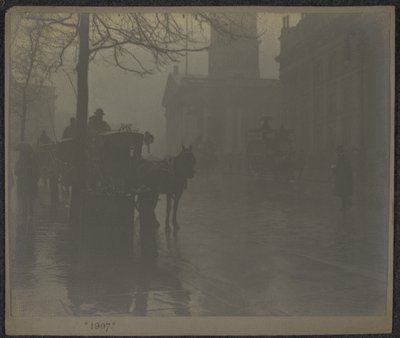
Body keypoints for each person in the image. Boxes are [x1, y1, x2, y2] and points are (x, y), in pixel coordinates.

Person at [14, 143, 40, 228]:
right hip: (29, 183)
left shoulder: (21, 162)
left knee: (26, 199)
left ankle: (26, 215)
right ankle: (29, 215)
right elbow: (37, 173)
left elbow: (16, 172)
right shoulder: (33, 162)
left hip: (25, 183)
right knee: (29, 199)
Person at [332, 145, 353, 212]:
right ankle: (345, 204)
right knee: (343, 192)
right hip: (344, 177)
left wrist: (332, 168)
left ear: (339, 151)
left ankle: (344, 206)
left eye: (337, 151)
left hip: (342, 177)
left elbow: (337, 167)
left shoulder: (341, 157)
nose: (337, 153)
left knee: (342, 192)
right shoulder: (345, 157)